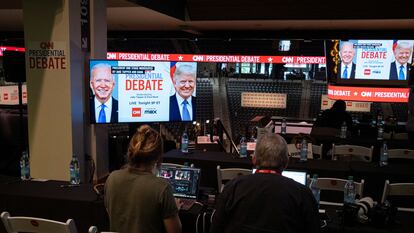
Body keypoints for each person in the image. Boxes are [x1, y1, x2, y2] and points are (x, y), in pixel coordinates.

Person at [210, 133, 320, 233]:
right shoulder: (303, 194)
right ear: (286, 162)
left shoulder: (233, 186)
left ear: (254, 159)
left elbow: (216, 227)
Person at [104, 125, 182, 233]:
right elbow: (175, 231)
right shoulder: (162, 188)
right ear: (158, 157)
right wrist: (172, 210)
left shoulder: (112, 178)